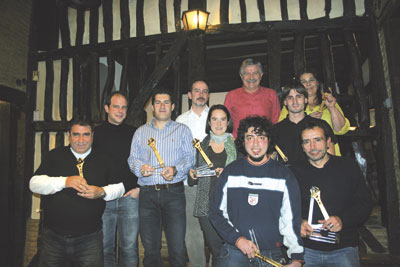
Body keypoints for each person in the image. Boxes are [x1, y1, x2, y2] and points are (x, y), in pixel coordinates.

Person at [209, 116, 304, 267]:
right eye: (250, 137)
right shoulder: (231, 172)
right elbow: (216, 212)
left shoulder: (284, 176)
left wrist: (297, 258)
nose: (255, 144)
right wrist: (238, 240)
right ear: (242, 140)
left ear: (269, 140)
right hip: (235, 250)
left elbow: (290, 221)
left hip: (271, 252)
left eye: (261, 137)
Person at [29, 117, 125, 267]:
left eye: (86, 134)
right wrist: (64, 182)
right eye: (76, 134)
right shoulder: (55, 155)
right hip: (53, 238)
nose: (81, 140)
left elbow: (120, 187)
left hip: (90, 240)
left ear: (93, 135)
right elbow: (34, 184)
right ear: (69, 135)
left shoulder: (105, 158)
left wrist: (101, 192)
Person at [290, 120, 373, 267]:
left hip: (344, 247)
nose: (313, 147)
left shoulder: (347, 166)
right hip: (306, 249)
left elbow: (365, 203)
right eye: (307, 142)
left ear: (328, 142)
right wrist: (297, 222)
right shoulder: (294, 172)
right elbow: (284, 207)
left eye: (317, 140)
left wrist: (342, 220)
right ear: (302, 147)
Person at [128, 88, 195, 267]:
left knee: (177, 248)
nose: (162, 106)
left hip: (174, 194)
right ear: (152, 107)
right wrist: (140, 168)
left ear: (173, 106)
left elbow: (190, 157)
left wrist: (176, 169)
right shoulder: (140, 132)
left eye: (166, 102)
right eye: (158, 102)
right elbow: (132, 158)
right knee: (150, 249)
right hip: (147, 195)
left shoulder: (182, 130)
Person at [93, 91, 139, 267]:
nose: (120, 111)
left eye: (124, 107)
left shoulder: (135, 133)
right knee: (104, 249)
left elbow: (145, 162)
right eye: (116, 106)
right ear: (106, 108)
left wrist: (139, 188)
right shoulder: (94, 134)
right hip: (104, 199)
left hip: (129, 198)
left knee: (129, 248)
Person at [188, 104, 237, 266]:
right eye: (214, 119)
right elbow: (191, 179)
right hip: (206, 208)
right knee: (217, 251)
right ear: (209, 122)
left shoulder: (237, 146)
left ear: (228, 122)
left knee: (230, 250)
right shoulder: (201, 146)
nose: (218, 123)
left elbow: (245, 177)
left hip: (232, 208)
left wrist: (228, 174)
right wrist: (193, 174)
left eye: (222, 119)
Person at [176, 80, 209, 267]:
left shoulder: (216, 116)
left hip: (213, 183)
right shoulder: (181, 120)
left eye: (204, 91)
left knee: (213, 229)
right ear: (190, 95)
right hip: (188, 184)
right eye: (197, 91)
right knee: (192, 230)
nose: (201, 94)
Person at [278, 71, 350, 155]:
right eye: (304, 82)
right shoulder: (291, 106)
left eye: (311, 80)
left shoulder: (328, 101)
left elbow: (340, 130)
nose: (308, 84)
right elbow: (283, 132)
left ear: (317, 83)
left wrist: (332, 107)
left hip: (330, 153)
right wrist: (307, 120)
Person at [272, 82, 336, 165]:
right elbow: (271, 161)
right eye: (290, 98)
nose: (295, 101)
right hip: (287, 175)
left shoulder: (321, 125)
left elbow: (331, 158)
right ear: (285, 102)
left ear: (306, 99)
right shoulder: (276, 129)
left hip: (316, 175)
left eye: (299, 97)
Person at [224, 58, 281, 138]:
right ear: (241, 76)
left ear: (261, 75)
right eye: (247, 73)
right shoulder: (231, 96)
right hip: (239, 145)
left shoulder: (271, 94)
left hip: (265, 145)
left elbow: (276, 122)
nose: (251, 77)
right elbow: (225, 124)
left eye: (255, 73)